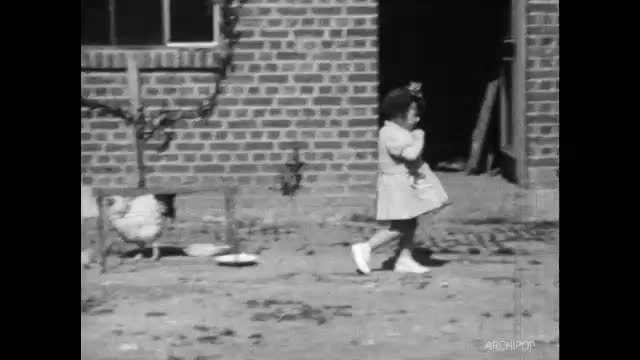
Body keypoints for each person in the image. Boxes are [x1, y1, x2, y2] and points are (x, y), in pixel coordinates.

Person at [351, 85, 450, 274]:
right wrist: (420, 137)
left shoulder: (399, 132)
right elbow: (411, 155)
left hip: (405, 184)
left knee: (410, 222)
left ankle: (404, 258)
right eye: (413, 113)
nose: (418, 118)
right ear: (399, 113)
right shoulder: (390, 133)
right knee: (400, 226)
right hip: (397, 186)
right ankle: (366, 247)